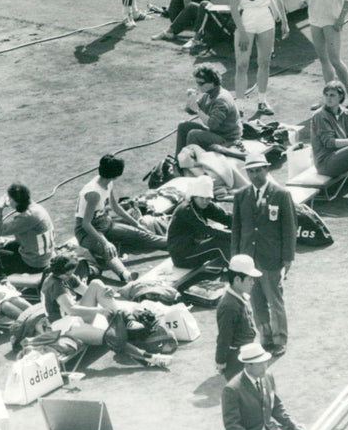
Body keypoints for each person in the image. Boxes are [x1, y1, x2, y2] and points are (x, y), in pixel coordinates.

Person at [40, 254, 171, 368]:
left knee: (97, 283)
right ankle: (149, 358)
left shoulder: (65, 276)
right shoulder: (54, 284)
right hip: (64, 326)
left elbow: (88, 291)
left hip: (74, 318)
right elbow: (71, 310)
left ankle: (127, 320)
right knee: (111, 337)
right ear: (61, 272)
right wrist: (100, 311)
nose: (71, 275)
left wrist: (106, 291)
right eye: (68, 273)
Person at [231, 153, 295, 358]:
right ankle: (266, 338)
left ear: (267, 170)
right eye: (251, 171)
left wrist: (287, 258)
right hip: (248, 259)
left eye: (259, 170)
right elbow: (236, 229)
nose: (255, 174)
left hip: (271, 258)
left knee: (275, 300)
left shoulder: (281, 194)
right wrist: (235, 259)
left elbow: (289, 229)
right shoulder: (241, 196)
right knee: (256, 301)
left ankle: (279, 340)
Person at [75, 154, 166, 282]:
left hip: (105, 223)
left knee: (139, 234)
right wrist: (105, 243)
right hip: (86, 232)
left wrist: (136, 224)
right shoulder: (93, 193)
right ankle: (125, 275)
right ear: (117, 175)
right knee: (107, 249)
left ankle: (171, 243)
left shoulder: (108, 183)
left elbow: (115, 207)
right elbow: (86, 224)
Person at [229, 0, 289, 116]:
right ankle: (239, 105)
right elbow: (233, 7)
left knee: (265, 61)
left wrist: (284, 21)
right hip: (246, 18)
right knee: (242, 64)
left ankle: (262, 101)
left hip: (265, 17)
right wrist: (241, 31)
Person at [222, 343, 306, 430]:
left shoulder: (268, 376)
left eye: (265, 362)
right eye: (259, 364)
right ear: (247, 366)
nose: (264, 367)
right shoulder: (231, 390)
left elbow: (276, 406)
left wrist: (293, 424)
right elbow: (232, 426)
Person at [176, 65, 244, 156]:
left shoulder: (221, 99)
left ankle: (190, 164)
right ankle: (178, 160)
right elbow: (190, 111)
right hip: (216, 133)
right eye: (196, 82)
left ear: (212, 83)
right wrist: (190, 100)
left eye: (200, 83)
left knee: (194, 134)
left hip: (228, 139)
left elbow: (212, 124)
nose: (197, 86)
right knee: (183, 126)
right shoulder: (208, 95)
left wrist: (197, 109)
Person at [167, 175, 231, 269]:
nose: (205, 201)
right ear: (194, 196)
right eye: (201, 198)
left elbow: (225, 217)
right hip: (182, 257)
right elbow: (206, 229)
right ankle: (237, 272)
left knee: (225, 232)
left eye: (208, 198)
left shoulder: (205, 204)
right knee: (220, 241)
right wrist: (233, 234)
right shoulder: (187, 209)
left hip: (195, 247)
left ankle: (242, 261)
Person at [216, 255, 260, 381]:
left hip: (246, 353)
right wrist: (221, 361)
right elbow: (224, 336)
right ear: (237, 280)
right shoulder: (229, 306)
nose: (253, 282)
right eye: (249, 279)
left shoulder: (240, 297)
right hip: (237, 358)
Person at [0, 182, 55, 274]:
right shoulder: (37, 209)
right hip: (44, 257)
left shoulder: (27, 216)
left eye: (10, 200)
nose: (9, 202)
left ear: (16, 201)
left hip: (34, 264)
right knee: (8, 246)